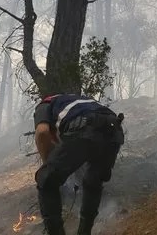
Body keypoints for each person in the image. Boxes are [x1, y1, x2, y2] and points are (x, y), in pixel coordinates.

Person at [33, 94, 124, 235]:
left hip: (85, 127)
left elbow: (42, 132)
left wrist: (48, 166)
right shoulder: (81, 101)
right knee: (92, 181)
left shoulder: (45, 104)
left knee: (46, 179)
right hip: (114, 131)